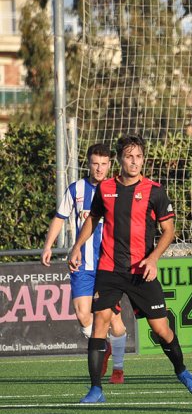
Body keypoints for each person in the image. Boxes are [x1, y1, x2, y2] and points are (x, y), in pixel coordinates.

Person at [68, 134, 192, 403]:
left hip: (141, 270)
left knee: (160, 329)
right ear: (119, 159)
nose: (134, 161)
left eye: (139, 157)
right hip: (109, 269)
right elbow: (93, 218)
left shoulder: (155, 190)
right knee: (100, 323)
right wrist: (77, 247)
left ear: (144, 159)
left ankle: (183, 371)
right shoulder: (105, 189)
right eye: (129, 156)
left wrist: (153, 259)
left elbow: (169, 230)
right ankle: (96, 388)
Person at [42, 144, 128, 384]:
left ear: (110, 164)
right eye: (94, 163)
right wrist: (48, 246)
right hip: (83, 264)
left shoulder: (118, 189)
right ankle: (104, 348)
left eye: (103, 164)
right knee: (83, 315)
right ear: (88, 164)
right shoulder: (76, 189)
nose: (99, 168)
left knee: (112, 320)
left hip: (110, 265)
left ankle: (118, 368)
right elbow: (60, 218)